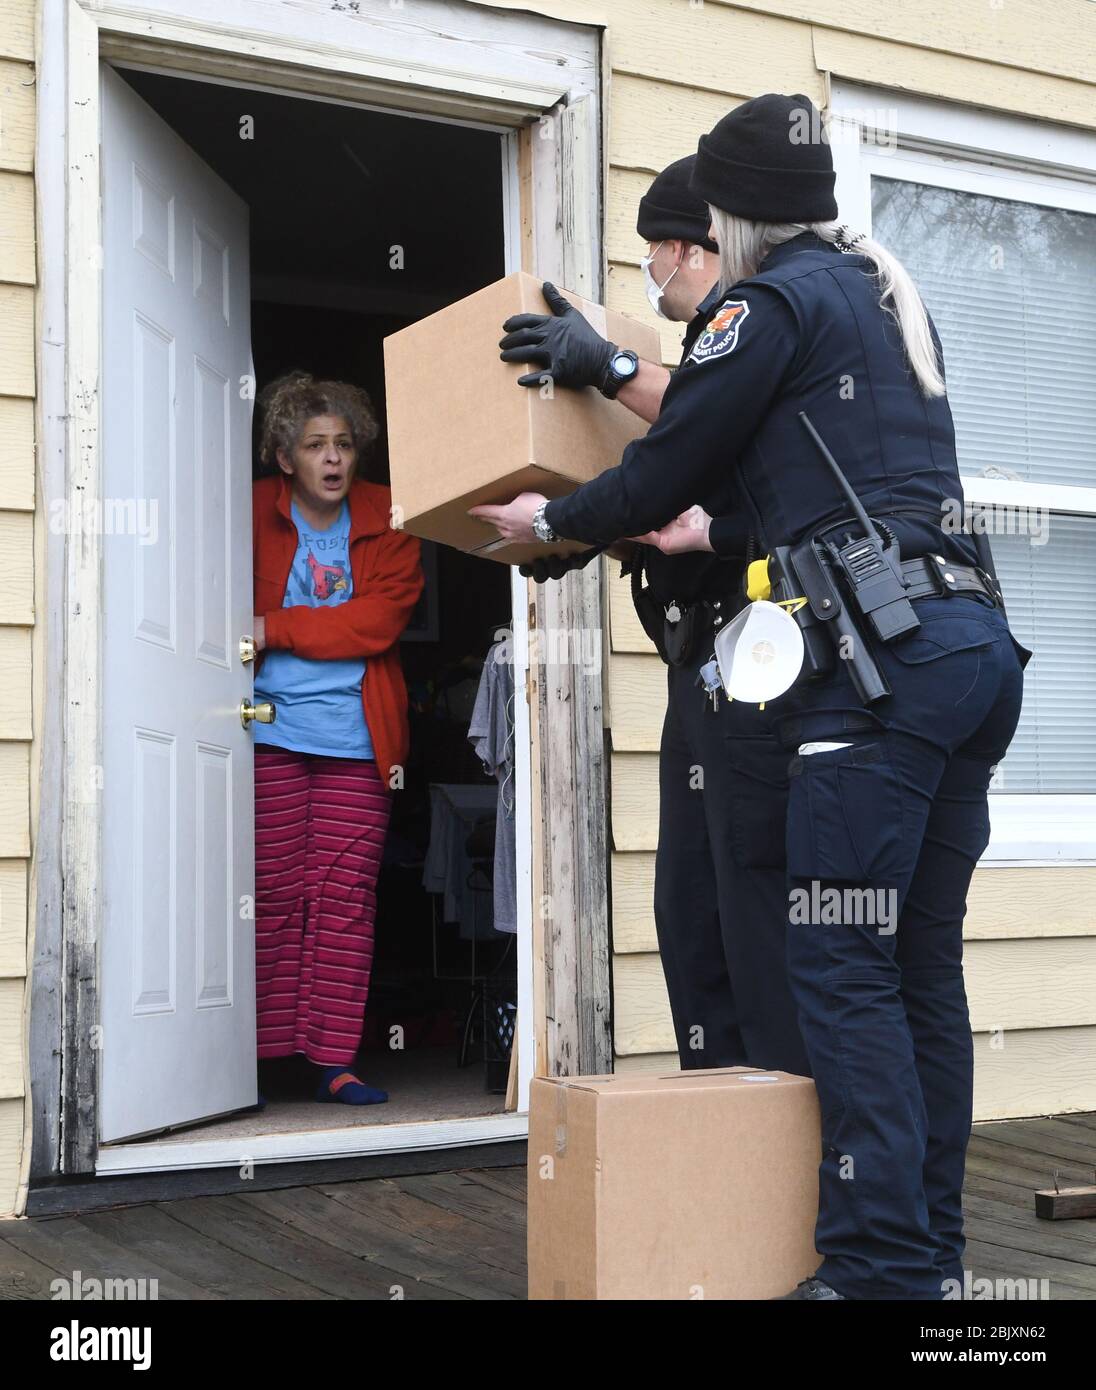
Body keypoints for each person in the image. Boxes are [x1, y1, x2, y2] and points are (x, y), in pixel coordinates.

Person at [471, 93, 1029, 1301]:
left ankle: (878, 1272)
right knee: (916, 963)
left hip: (873, 678)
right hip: (968, 652)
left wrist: (553, 521)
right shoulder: (881, 293)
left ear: (719, 223)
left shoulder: (758, 304)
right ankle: (926, 1258)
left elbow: (673, 455)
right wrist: (697, 527)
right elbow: (801, 482)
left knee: (838, 963)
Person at [495, 155, 810, 1077]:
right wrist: (590, 534)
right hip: (697, 672)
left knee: (751, 913)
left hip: (758, 669)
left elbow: (704, 429)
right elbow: (677, 494)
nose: (649, 274)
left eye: (651, 254)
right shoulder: (719, 339)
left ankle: (778, 1148)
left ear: (685, 248)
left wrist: (608, 367)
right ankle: (717, 1122)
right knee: (690, 910)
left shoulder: (762, 328)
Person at [251, 371, 423, 1105]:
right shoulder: (248, 509)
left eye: (344, 445)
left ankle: (332, 1059)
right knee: (270, 893)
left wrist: (276, 629)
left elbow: (376, 622)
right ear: (285, 457)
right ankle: (253, 1057)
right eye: (315, 445)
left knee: (343, 896)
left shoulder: (389, 516)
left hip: (358, 742)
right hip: (265, 733)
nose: (332, 459)